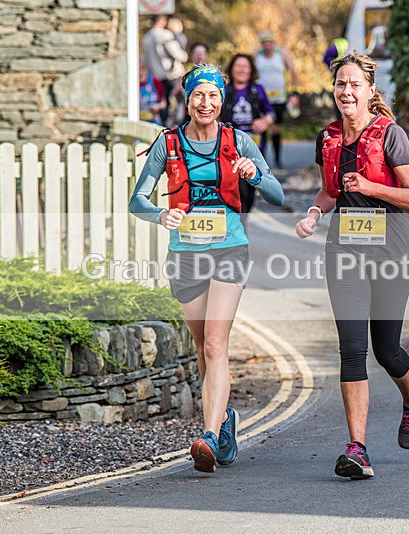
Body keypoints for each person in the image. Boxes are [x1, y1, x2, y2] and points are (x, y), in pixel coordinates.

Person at [130, 64, 284, 473]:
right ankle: (225, 419)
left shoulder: (239, 141)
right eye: (199, 95)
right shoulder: (168, 144)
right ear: (187, 98)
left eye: (213, 96)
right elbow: (137, 200)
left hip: (229, 249)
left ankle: (210, 437)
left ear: (222, 100)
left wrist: (254, 174)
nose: (206, 103)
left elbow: (278, 193)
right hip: (186, 255)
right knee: (202, 347)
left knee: (216, 344)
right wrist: (159, 214)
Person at [295, 52, 409, 480]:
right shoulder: (327, 138)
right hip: (345, 250)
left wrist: (372, 186)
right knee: (352, 348)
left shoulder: (391, 135)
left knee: (386, 350)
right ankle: (358, 448)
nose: (346, 92)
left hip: (391, 251)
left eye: (354, 84)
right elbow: (330, 191)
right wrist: (314, 214)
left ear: (370, 90)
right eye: (340, 85)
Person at [221, 54, 276, 221]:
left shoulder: (257, 90)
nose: (242, 70)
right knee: (235, 190)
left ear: (251, 69)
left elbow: (271, 113)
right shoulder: (224, 90)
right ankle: (237, 226)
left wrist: (265, 121)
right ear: (232, 69)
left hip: (254, 151)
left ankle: (240, 222)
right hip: (229, 153)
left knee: (249, 193)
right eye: (238, 66)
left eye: (245, 66)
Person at [254, 31, 299, 168]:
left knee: (275, 128)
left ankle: (277, 159)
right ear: (261, 44)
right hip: (261, 98)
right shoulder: (256, 55)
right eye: (264, 43)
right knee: (261, 128)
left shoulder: (282, 53)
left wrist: (295, 94)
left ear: (274, 43)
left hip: (279, 98)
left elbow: (293, 72)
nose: (267, 46)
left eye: (270, 42)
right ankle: (261, 160)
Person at [141, 15, 186, 125]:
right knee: (175, 111)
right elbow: (179, 55)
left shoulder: (145, 38)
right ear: (162, 20)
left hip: (155, 80)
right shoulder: (165, 35)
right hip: (171, 76)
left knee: (162, 112)